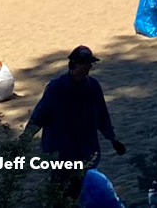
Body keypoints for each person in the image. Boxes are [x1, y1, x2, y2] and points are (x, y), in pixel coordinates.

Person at [24, 45, 125, 201]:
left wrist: (112, 139)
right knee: (61, 191)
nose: (88, 67)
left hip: (85, 151)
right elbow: (39, 115)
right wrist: (24, 139)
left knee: (80, 190)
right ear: (74, 65)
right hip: (60, 151)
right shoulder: (57, 88)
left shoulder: (93, 87)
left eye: (89, 64)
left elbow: (102, 116)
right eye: (85, 63)